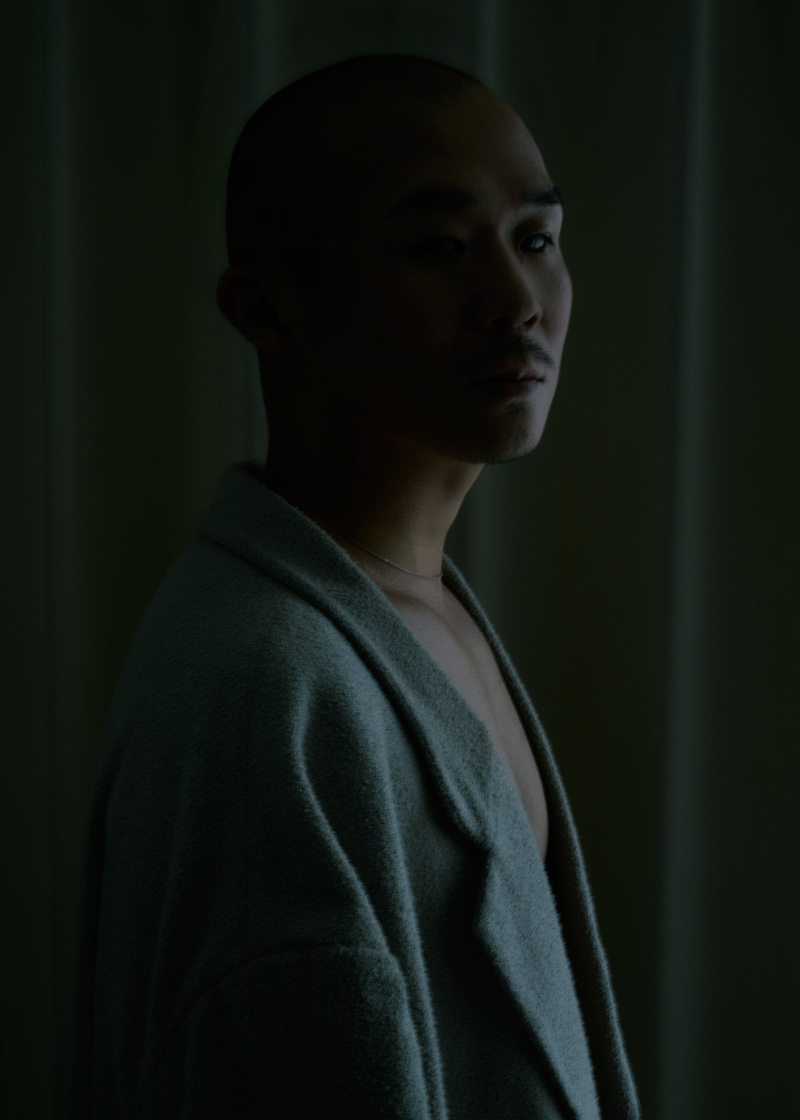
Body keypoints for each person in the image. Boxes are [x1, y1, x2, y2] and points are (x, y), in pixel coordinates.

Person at [62, 53, 640, 1119]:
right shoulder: (265, 688)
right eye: (439, 248)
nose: (516, 301)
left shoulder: (413, 605)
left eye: (536, 239)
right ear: (266, 308)